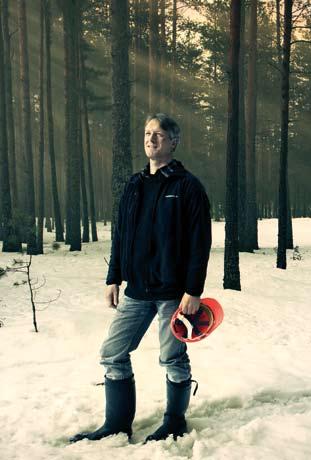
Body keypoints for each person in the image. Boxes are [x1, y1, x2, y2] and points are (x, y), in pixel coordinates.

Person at [70, 113, 212, 443]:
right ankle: (116, 425)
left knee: (172, 358)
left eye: (159, 134)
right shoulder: (134, 185)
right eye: (148, 133)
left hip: (173, 292)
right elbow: (121, 235)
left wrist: (193, 290)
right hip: (136, 290)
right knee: (112, 352)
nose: (151, 139)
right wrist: (113, 277)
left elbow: (199, 243)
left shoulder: (187, 187)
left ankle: (174, 421)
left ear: (173, 141)